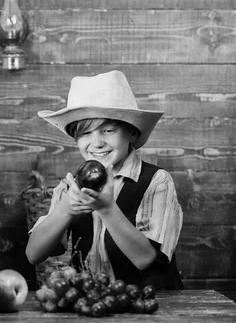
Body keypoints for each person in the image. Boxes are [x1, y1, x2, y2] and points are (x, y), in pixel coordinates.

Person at [25, 70, 184, 289]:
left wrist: (107, 209)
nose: (96, 142)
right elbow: (33, 254)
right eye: (85, 133)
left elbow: (145, 258)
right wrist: (65, 209)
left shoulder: (157, 182)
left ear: (132, 133)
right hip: (94, 304)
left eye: (108, 130)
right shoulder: (70, 188)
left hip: (150, 306)